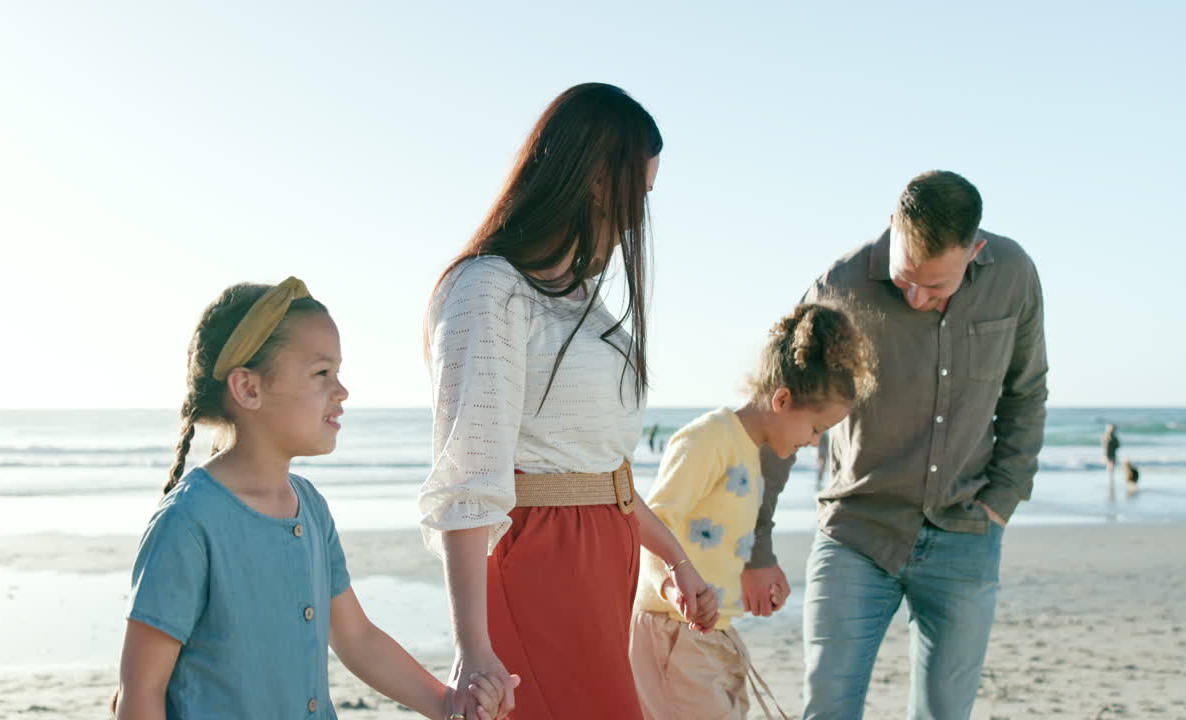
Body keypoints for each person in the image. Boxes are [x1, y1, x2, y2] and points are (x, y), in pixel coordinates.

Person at [419, 83, 711, 720]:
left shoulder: (586, 301)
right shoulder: (489, 288)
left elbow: (604, 477)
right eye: (640, 193)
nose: (639, 218)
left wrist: (677, 562)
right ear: (600, 180)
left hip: (603, 568)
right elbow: (470, 478)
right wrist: (473, 648)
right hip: (540, 568)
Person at [113, 278, 508, 720]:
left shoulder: (310, 507)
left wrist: (448, 703)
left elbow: (357, 638)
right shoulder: (189, 522)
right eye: (321, 373)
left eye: (338, 373)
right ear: (248, 388)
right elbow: (141, 690)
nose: (341, 391)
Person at [742, 170, 1049, 719]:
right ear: (892, 228)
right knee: (828, 711)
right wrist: (759, 548)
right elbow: (779, 419)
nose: (916, 295)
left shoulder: (1015, 276)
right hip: (857, 535)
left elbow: (1025, 393)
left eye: (936, 287)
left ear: (974, 251)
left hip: (965, 534)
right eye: (906, 277)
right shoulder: (839, 287)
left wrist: (1003, 499)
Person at [629, 303, 875, 720]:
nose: (815, 443)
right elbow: (652, 522)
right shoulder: (708, 439)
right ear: (782, 399)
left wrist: (749, 572)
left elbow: (723, 539)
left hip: (715, 634)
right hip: (670, 630)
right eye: (816, 429)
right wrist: (674, 587)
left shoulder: (754, 453)